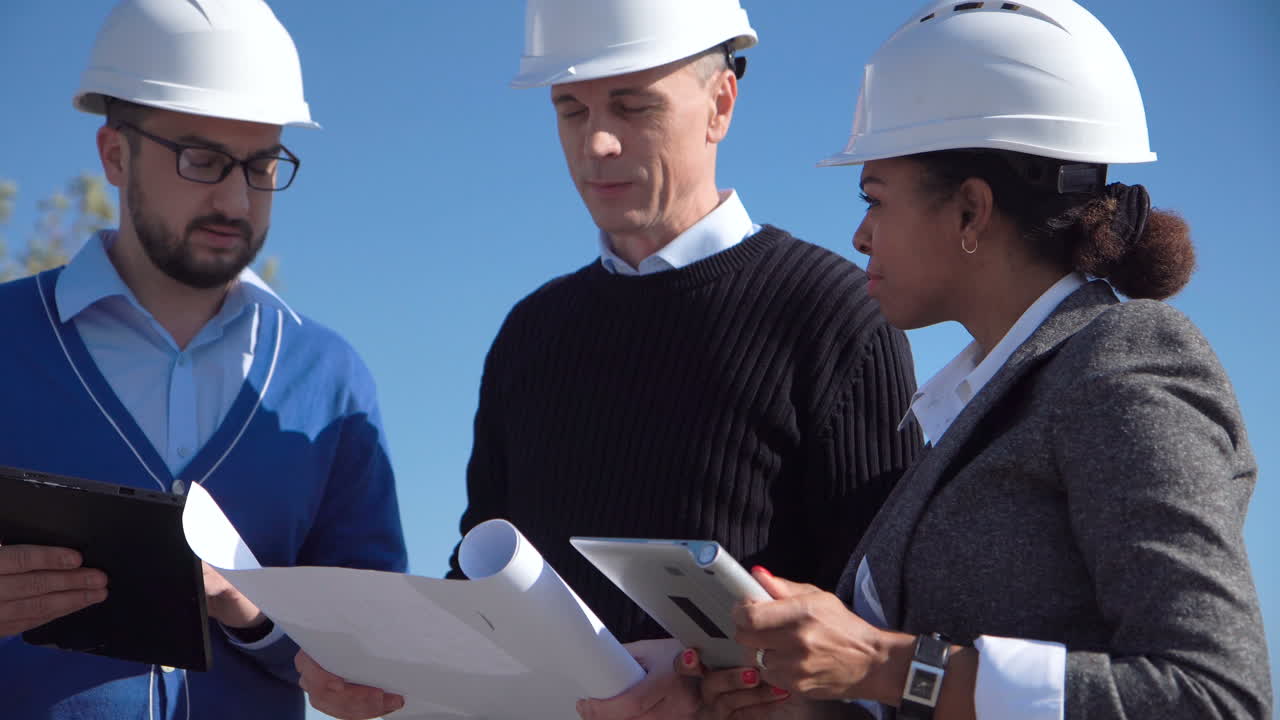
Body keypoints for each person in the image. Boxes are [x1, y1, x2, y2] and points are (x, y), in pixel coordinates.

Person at [297, 0, 921, 717]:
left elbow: (878, 633)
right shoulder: (531, 333)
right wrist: (388, 667)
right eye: (571, 110)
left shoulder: (836, 317)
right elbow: (483, 583)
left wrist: (720, 690)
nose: (596, 143)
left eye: (632, 107)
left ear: (720, 105)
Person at [671, 1, 1273, 719]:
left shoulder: (1123, 363)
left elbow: (1215, 697)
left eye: (875, 199)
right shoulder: (978, 403)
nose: (860, 235)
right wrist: (816, 704)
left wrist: (883, 665)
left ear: (971, 211)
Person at [0, 1, 407, 718]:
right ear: (115, 155)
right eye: (203, 160)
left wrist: (252, 612)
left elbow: (376, 651)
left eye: (262, 164)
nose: (236, 199)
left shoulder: (329, 381)